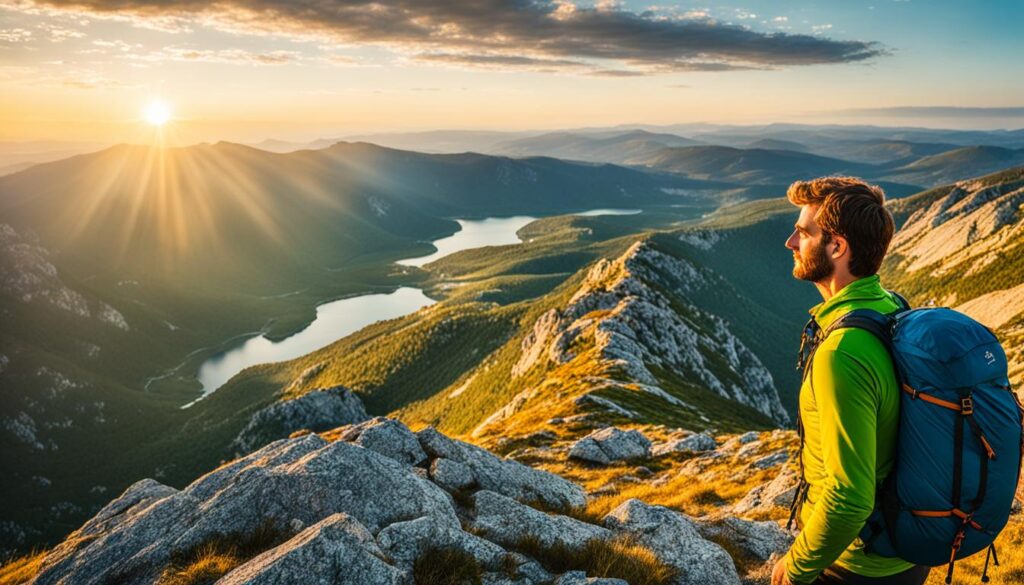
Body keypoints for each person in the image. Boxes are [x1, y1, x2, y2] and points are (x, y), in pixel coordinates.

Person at [771, 177, 931, 585]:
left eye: (804, 232)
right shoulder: (892, 307)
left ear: (837, 247)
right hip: (905, 552)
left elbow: (848, 498)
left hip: (857, 566)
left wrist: (795, 569)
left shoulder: (843, 352)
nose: (791, 242)